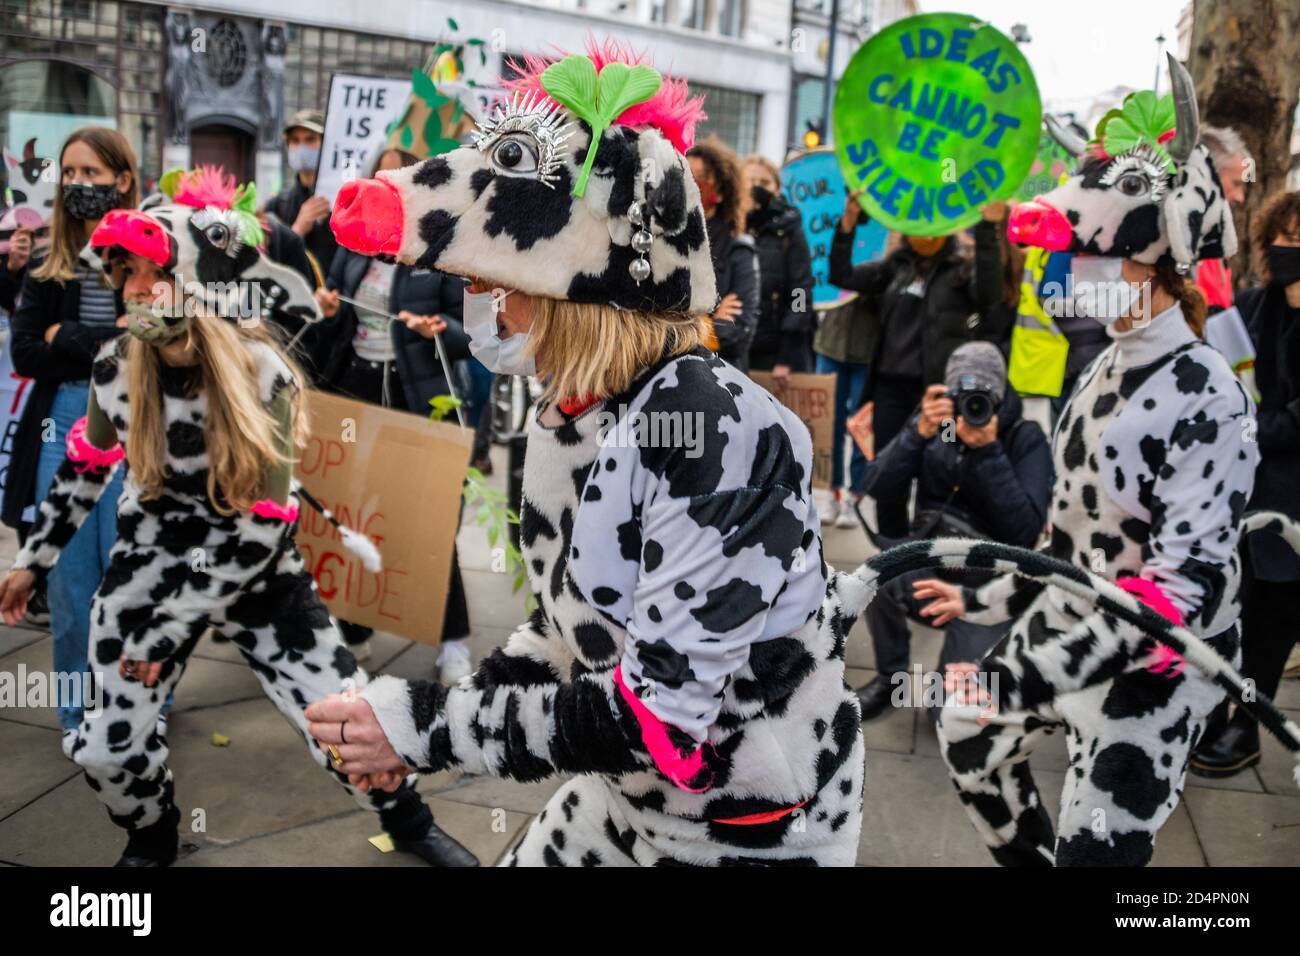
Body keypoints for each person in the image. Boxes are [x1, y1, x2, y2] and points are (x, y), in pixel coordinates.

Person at [317, 42, 867, 865]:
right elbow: (577, 624)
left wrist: (425, 726)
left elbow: (659, 718)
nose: (487, 308)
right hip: (628, 799)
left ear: (582, 289)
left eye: (500, 284)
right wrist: (460, 708)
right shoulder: (577, 404)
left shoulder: (713, 432)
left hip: (743, 832)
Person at [0, 203, 477, 869]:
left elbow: (262, 525)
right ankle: (152, 832)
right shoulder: (114, 368)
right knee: (109, 745)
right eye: (121, 277)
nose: (133, 291)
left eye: (146, 273)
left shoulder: (261, 370)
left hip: (257, 575)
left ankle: (407, 820)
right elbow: (83, 470)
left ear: (191, 275)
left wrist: (167, 631)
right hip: (149, 571)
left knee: (348, 720)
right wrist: (32, 563)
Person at [916, 63, 1254, 865]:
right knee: (964, 724)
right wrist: (988, 596)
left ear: (1154, 265)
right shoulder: (1105, 368)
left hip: (1158, 669)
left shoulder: (1208, 397)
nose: (1070, 280)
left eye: (1093, 260)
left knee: (1095, 847)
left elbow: (1177, 592)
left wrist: (1037, 673)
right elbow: (1071, 538)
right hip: (1073, 625)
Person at [315, 146, 474, 680]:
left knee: (429, 522)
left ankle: (452, 641)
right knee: (355, 514)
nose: (387, 183)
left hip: (416, 398)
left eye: (397, 175)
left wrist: (438, 331)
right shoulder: (353, 244)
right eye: (379, 175)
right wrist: (329, 309)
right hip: (355, 393)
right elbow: (331, 323)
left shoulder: (439, 246)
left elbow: (469, 330)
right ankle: (355, 633)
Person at [4, 128, 137, 756]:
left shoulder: (148, 255)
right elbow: (26, 352)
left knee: (133, 572)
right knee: (67, 578)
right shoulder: (45, 262)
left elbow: (141, 342)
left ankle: (143, 706)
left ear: (123, 180)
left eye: (93, 172)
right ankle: (74, 708)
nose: (80, 184)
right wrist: (91, 338)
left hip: (139, 424)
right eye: (72, 173)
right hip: (64, 421)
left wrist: (68, 334)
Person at [853, 343, 1051, 721]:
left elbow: (1025, 533)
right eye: (962, 397)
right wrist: (916, 431)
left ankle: (981, 671)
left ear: (1000, 395)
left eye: (981, 399)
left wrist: (989, 453)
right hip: (932, 561)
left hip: (985, 586)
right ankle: (889, 677)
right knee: (877, 574)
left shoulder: (1024, 438)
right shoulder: (938, 425)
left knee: (943, 713)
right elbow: (877, 487)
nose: (969, 410)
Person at [1191, 189, 1300, 778]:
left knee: (1274, 621)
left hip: (1292, 502)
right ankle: (1212, 711)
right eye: (1282, 239)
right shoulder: (1253, 307)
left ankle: (1248, 723)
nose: (1289, 250)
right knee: (1229, 610)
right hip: (1240, 491)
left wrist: (1256, 426)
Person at [829, 194, 1006, 538]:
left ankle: (926, 561)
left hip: (939, 397)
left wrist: (988, 228)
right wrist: (848, 224)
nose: (923, 235)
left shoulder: (962, 269)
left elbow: (990, 294)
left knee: (938, 476)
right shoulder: (894, 267)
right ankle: (892, 562)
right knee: (888, 483)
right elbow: (842, 275)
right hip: (889, 396)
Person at [686, 137, 759, 370]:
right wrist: (712, 320)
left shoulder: (739, 249)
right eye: (687, 173)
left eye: (704, 175)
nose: (694, 182)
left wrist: (689, 326)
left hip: (723, 375)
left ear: (722, 188)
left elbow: (738, 331)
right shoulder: (664, 241)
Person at [741, 154, 815, 376]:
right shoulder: (729, 226)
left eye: (764, 183)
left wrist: (788, 356)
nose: (757, 188)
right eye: (750, 181)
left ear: (777, 189)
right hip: (732, 347)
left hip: (773, 354)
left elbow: (801, 293)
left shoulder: (790, 231)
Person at [264, 109, 338, 279]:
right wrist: (296, 231)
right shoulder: (277, 205)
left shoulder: (344, 200)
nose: (301, 147)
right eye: (295, 141)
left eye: (310, 139)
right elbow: (269, 263)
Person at [1194, 125, 1251, 313]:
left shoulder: (1213, 236)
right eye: (1235, 184)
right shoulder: (1173, 239)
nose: (1239, 197)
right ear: (1207, 174)